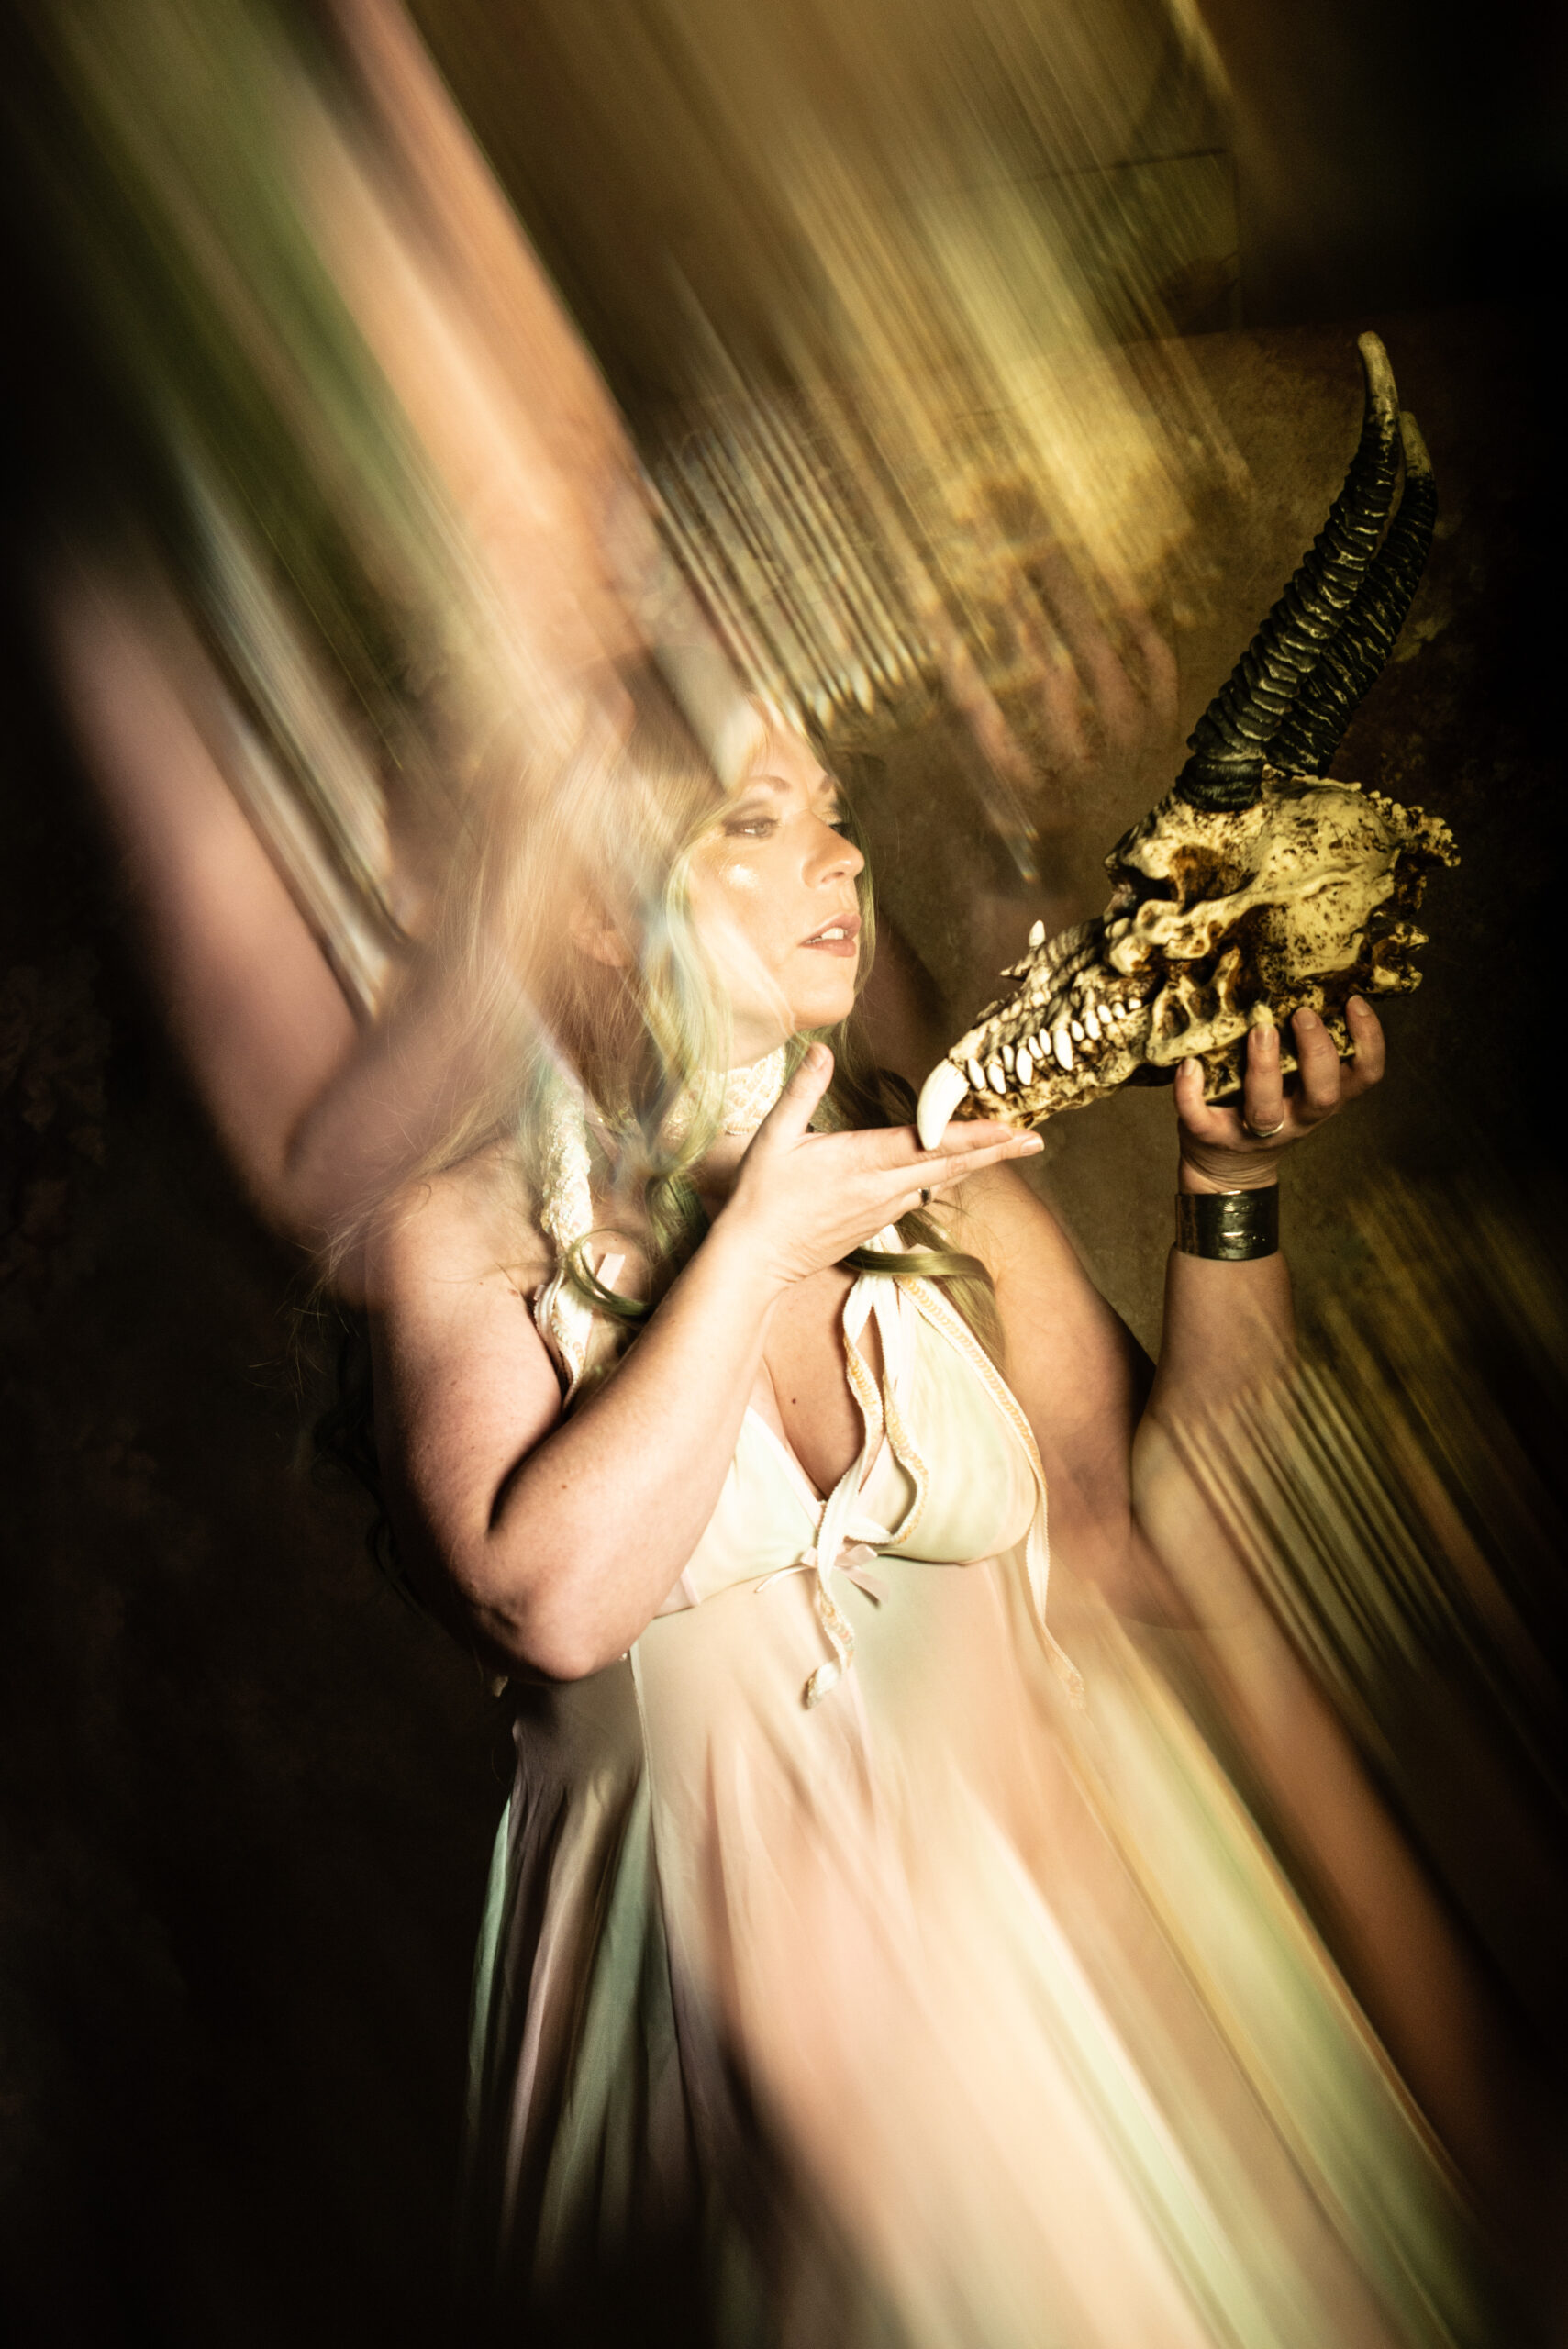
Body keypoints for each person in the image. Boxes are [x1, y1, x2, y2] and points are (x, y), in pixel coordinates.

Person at [56, 583, 1489, 2349]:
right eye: (754, 819)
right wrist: (747, 1252)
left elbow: (1164, 1556)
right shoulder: (471, 1234)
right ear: (594, 910)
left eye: (832, 811)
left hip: (1046, 2022)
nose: (840, 854)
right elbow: (545, 1601)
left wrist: (1228, 1195)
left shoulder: (954, 1192)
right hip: (710, 2064)